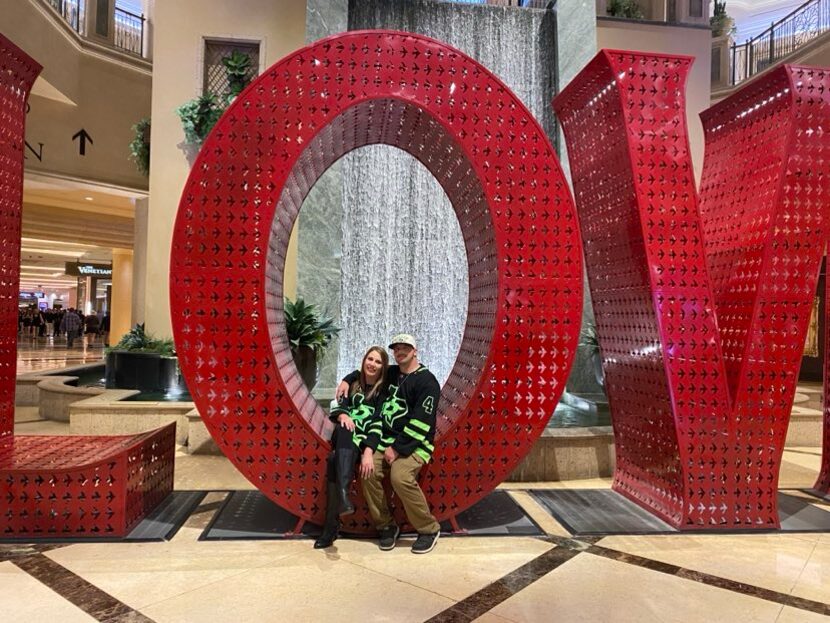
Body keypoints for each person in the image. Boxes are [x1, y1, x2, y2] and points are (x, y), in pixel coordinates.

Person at [336, 333, 441, 554]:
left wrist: (398, 448)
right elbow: (366, 371)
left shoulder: (427, 381)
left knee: (400, 477)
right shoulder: (393, 373)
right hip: (385, 440)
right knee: (368, 472)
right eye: (397, 348)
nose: (400, 352)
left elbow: (422, 422)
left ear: (415, 350)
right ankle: (386, 526)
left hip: (416, 443)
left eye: (405, 348)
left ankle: (429, 529)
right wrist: (347, 379)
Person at [314, 346, 387, 549]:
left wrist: (368, 451)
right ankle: (344, 497)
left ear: (383, 367)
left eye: (378, 361)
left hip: (364, 439)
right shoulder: (352, 383)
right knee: (345, 428)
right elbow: (338, 405)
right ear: (364, 360)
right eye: (369, 359)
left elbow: (378, 423)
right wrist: (343, 414)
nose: (372, 364)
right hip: (346, 433)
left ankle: (330, 528)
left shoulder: (384, 391)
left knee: (332, 460)